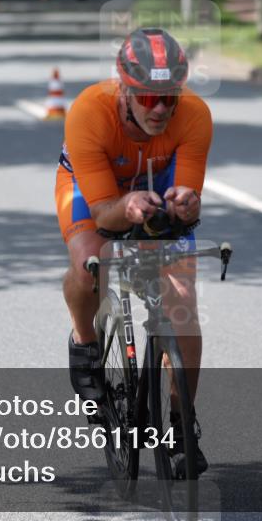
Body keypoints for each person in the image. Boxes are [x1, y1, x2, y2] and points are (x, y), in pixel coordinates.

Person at [54, 28, 213, 473]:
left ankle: (182, 426)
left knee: (182, 305)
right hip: (95, 191)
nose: (160, 108)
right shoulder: (89, 111)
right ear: (124, 88)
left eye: (169, 98)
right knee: (91, 267)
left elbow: (187, 199)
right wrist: (126, 207)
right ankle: (84, 343)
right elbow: (105, 214)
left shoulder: (196, 114)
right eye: (146, 98)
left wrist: (186, 204)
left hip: (156, 188)